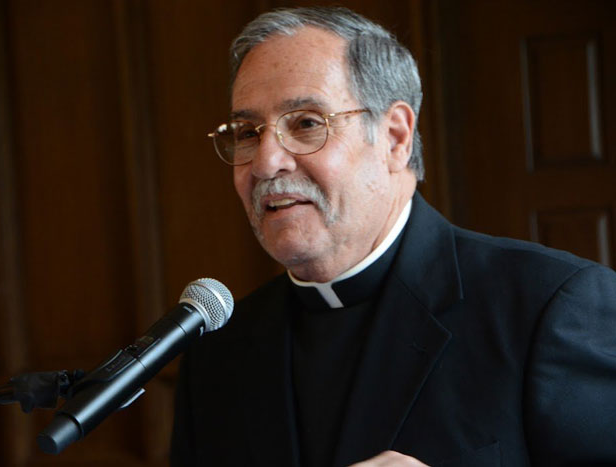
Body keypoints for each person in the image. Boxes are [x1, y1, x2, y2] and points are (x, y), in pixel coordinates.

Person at [171, 6, 616, 467]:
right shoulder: (217, 354)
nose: (265, 163)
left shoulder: (549, 308)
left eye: (305, 123)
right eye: (247, 132)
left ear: (395, 137)